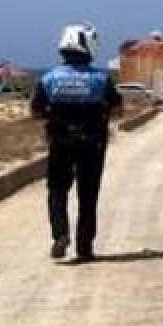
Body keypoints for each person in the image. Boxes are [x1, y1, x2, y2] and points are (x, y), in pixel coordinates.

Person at [31, 23, 122, 261]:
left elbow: (36, 110)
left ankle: (60, 233)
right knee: (88, 194)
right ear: (87, 45)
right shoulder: (101, 79)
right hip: (93, 144)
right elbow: (117, 107)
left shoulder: (48, 78)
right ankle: (84, 247)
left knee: (57, 189)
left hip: (60, 142)